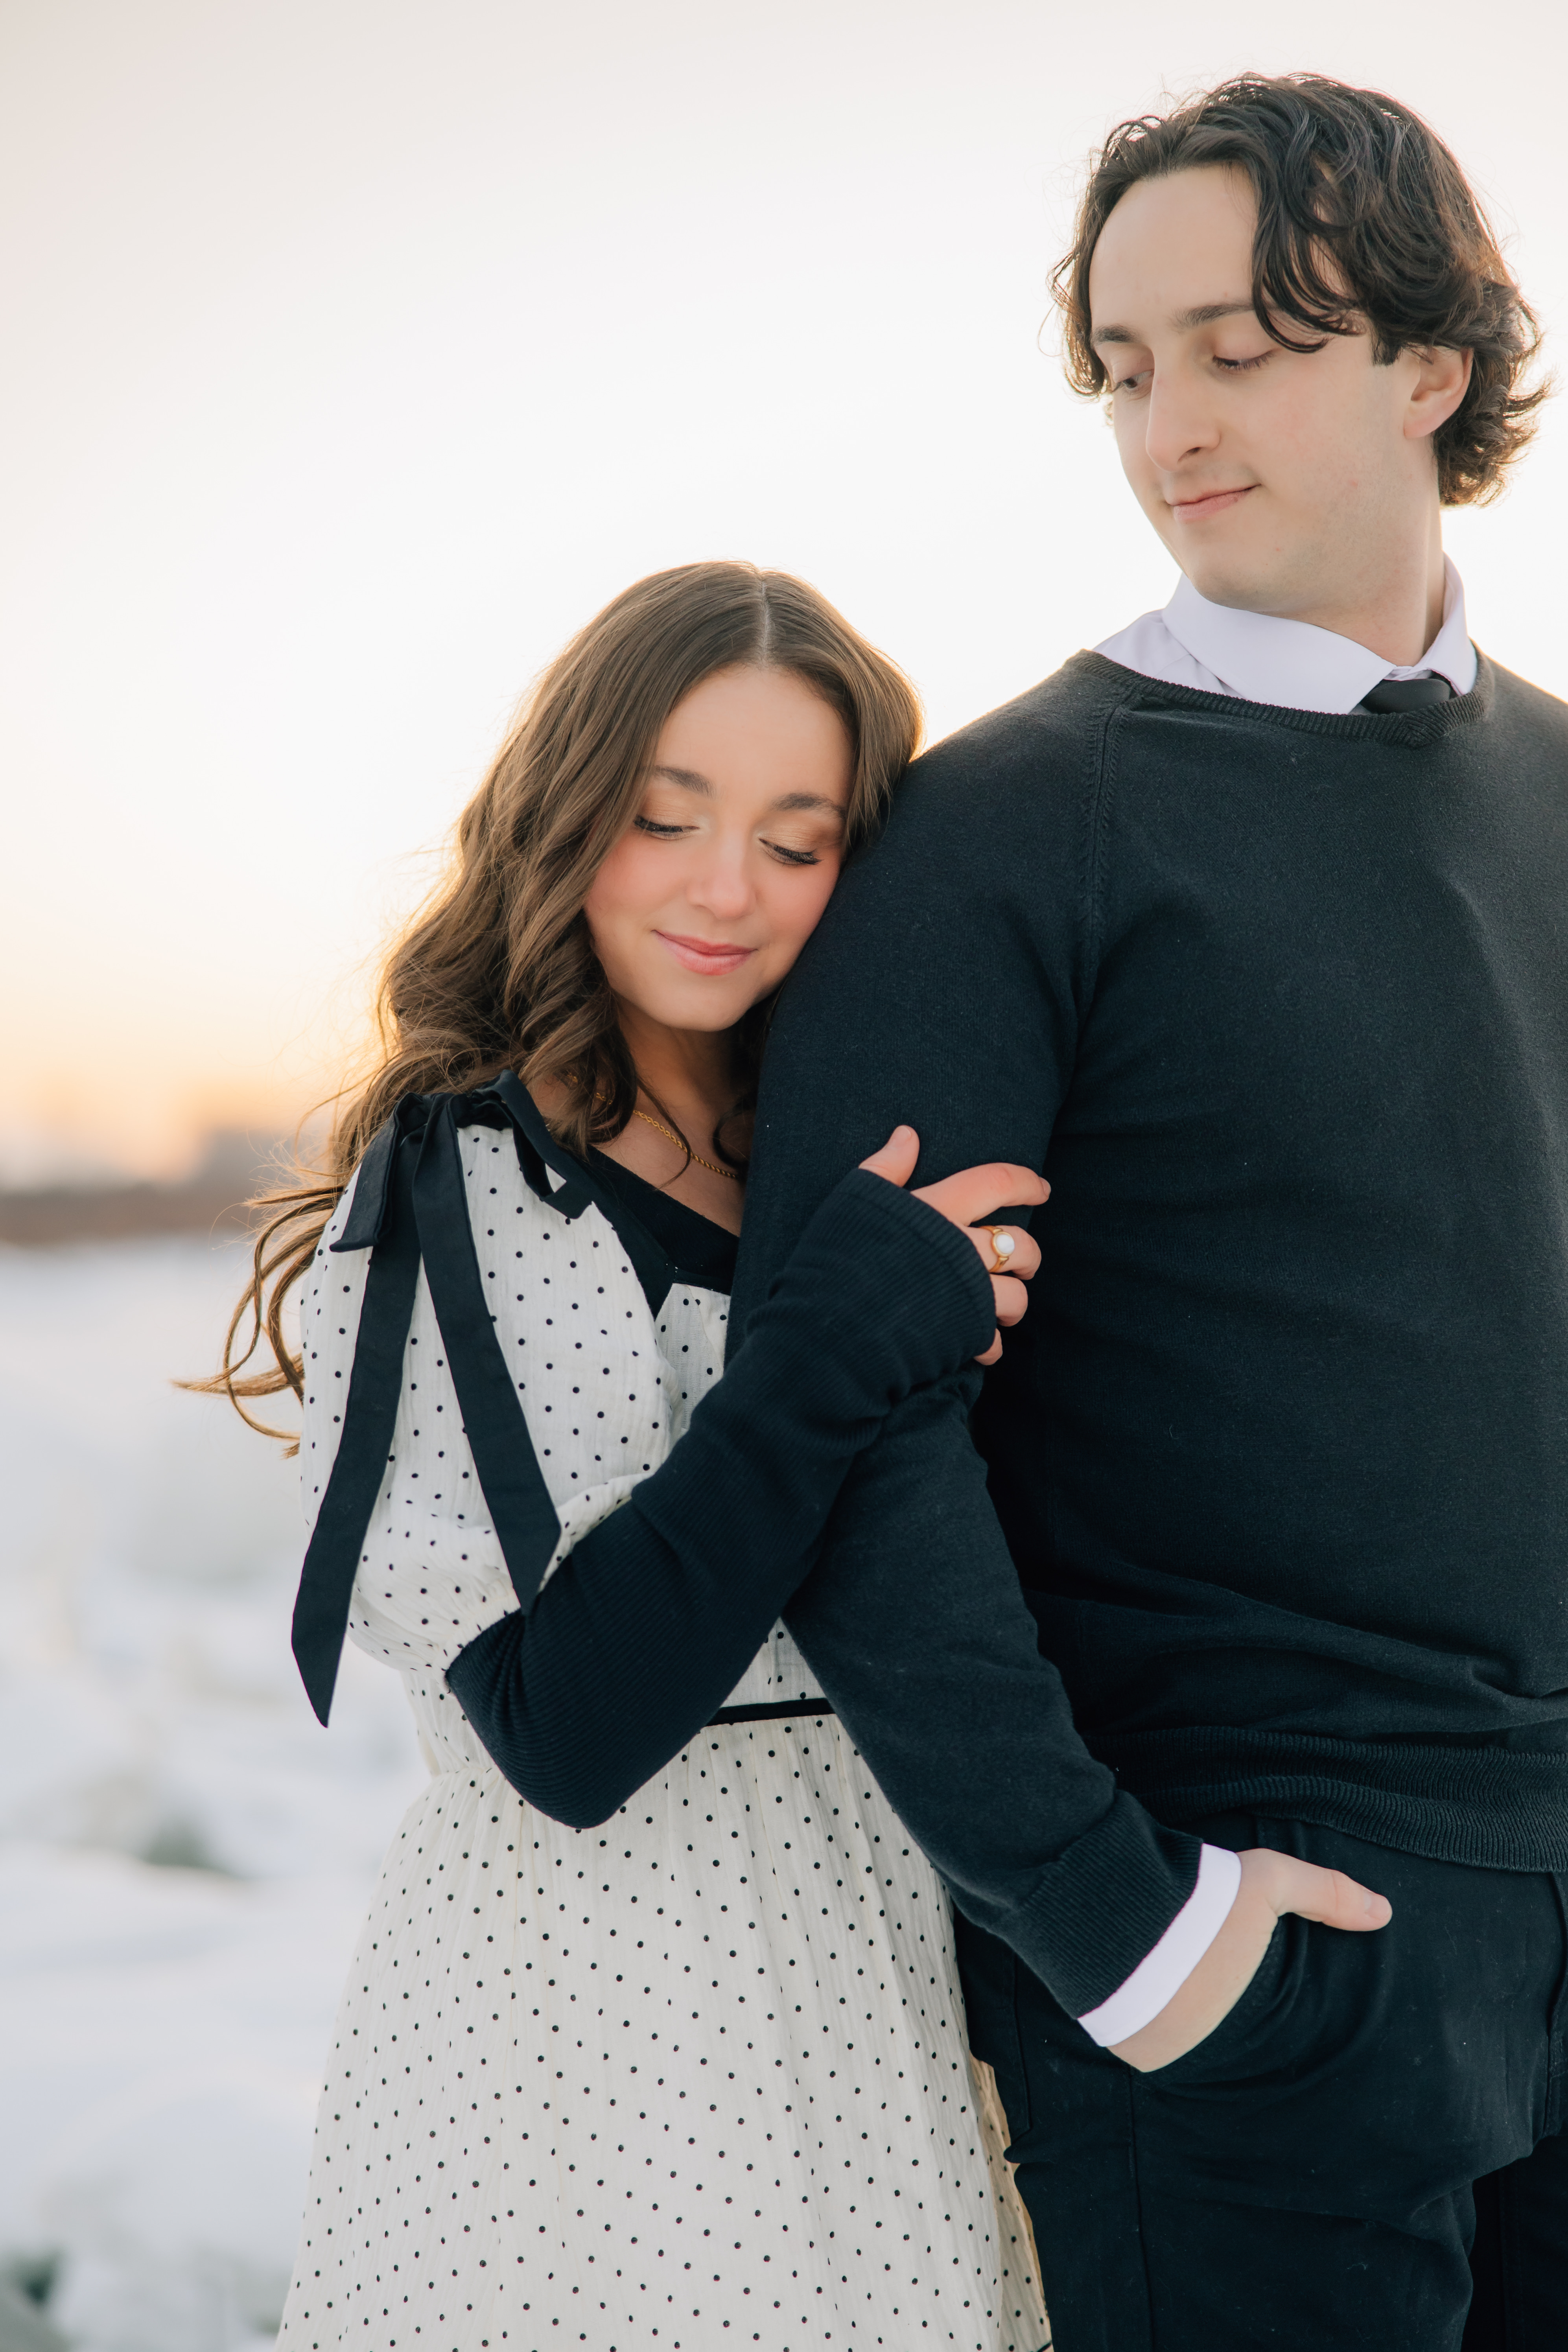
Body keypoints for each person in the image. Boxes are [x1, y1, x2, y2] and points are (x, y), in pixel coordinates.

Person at [730, 74, 1566, 2351]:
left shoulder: (1555, 791)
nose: (1166, 420)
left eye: (1238, 347)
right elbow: (852, 1435)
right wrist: (1122, 1929)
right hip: (1258, 1949)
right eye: (1124, 363)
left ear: (1424, 363)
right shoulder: (1004, 836)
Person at [199, 561, 1050, 2349]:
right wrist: (835, 1343)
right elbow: (565, 1728)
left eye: (799, 839)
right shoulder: (468, 1189)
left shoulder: (842, 1156)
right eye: (667, 817)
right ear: (568, 810)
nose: (726, 888)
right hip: (600, 2020)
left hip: (886, 1960)